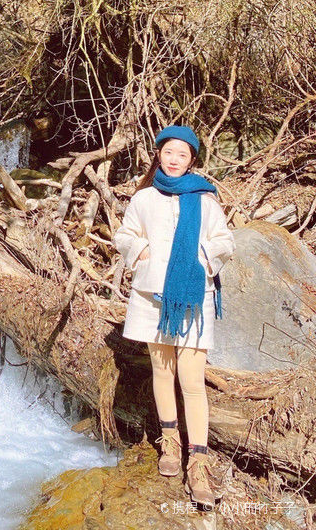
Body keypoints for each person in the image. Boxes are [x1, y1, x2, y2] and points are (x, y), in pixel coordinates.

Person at [113, 125, 235, 509]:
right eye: (169, 152)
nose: (175, 159)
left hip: (194, 298)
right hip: (152, 298)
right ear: (159, 154)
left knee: (191, 379)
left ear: (192, 160)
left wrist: (201, 262)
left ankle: (198, 460)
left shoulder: (205, 199)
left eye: (183, 154)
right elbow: (124, 235)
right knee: (162, 372)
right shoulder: (144, 198)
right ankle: (170, 442)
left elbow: (224, 242)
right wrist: (142, 254)